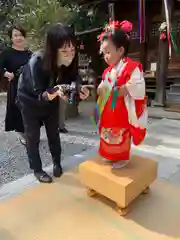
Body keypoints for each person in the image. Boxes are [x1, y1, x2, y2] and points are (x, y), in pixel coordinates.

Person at [17, 23, 90, 183]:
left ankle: (57, 162)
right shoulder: (37, 62)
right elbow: (40, 93)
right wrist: (55, 92)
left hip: (51, 97)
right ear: (53, 50)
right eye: (64, 51)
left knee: (53, 132)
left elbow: (74, 77)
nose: (70, 55)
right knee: (33, 136)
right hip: (29, 100)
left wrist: (79, 88)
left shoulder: (70, 58)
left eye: (72, 50)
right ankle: (37, 169)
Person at [94, 20, 147, 169]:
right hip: (108, 108)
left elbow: (137, 85)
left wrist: (123, 89)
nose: (105, 56)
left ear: (121, 50)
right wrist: (100, 89)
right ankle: (110, 155)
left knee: (121, 132)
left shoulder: (132, 67)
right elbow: (102, 88)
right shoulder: (107, 71)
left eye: (108, 52)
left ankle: (122, 157)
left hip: (122, 108)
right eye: (103, 53)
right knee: (108, 131)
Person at [0, 25, 32, 145]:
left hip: (29, 87)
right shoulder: (7, 53)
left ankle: (30, 132)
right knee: (17, 111)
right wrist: (5, 73)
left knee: (30, 111)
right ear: (11, 38)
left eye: (21, 35)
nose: (19, 38)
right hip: (15, 86)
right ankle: (22, 135)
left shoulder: (29, 53)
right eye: (16, 35)